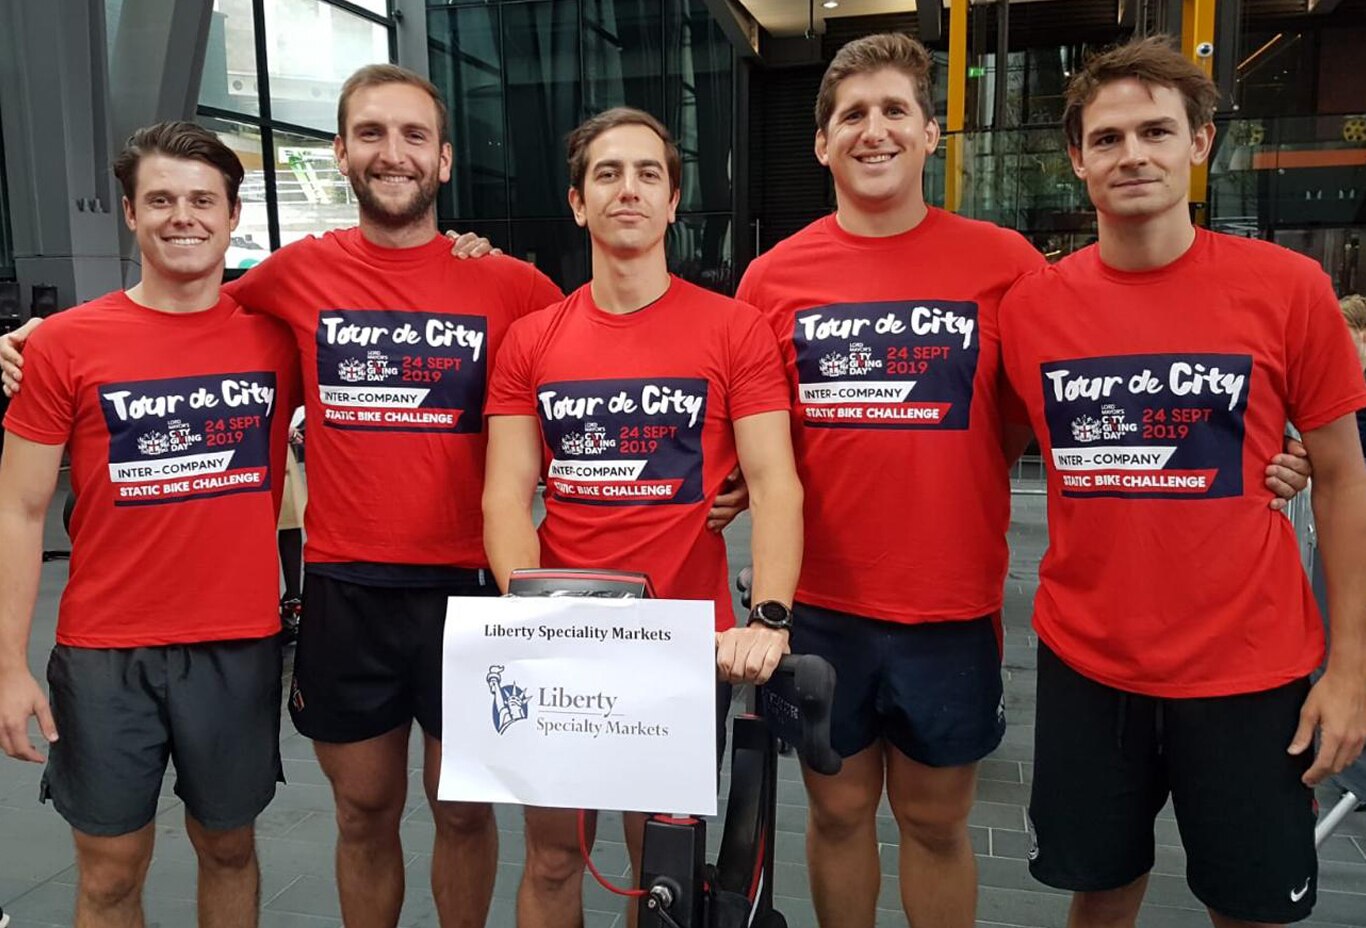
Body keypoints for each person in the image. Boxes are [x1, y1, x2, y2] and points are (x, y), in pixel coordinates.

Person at [733, 32, 1315, 928]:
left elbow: (1076, 395)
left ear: (931, 134)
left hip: (950, 607)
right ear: (821, 143)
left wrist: (1268, 442)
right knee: (839, 813)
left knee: (935, 823)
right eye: (853, 114)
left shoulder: (1006, 265)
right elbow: (752, 432)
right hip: (823, 606)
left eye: (896, 111)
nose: (874, 130)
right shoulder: (771, 279)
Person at [998, 36, 1366, 927]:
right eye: (1110, 137)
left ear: (1200, 143)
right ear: (1077, 157)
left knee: (1249, 907)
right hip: (1089, 662)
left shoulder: (1288, 287)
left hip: (1251, 666)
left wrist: (1350, 669)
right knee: (1100, 888)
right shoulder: (1031, 309)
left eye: (1157, 132)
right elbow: (949, 446)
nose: (1135, 155)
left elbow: (1345, 478)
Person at [482, 106, 804, 928]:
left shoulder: (735, 329)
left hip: (683, 645)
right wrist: (533, 618)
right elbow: (504, 494)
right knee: (552, 857)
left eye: (648, 173)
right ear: (578, 202)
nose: (628, 189)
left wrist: (767, 617)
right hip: (563, 641)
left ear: (672, 201)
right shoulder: (531, 339)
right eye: (607, 174)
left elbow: (774, 484)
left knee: (660, 866)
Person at [0, 122, 299, 928]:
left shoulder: (279, 339)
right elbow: (20, 508)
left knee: (229, 848)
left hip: (236, 644)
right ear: (129, 214)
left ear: (234, 215)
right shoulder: (62, 345)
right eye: (160, 199)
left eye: (203, 200)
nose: (183, 217)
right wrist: (7, 666)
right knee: (108, 873)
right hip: (104, 652)